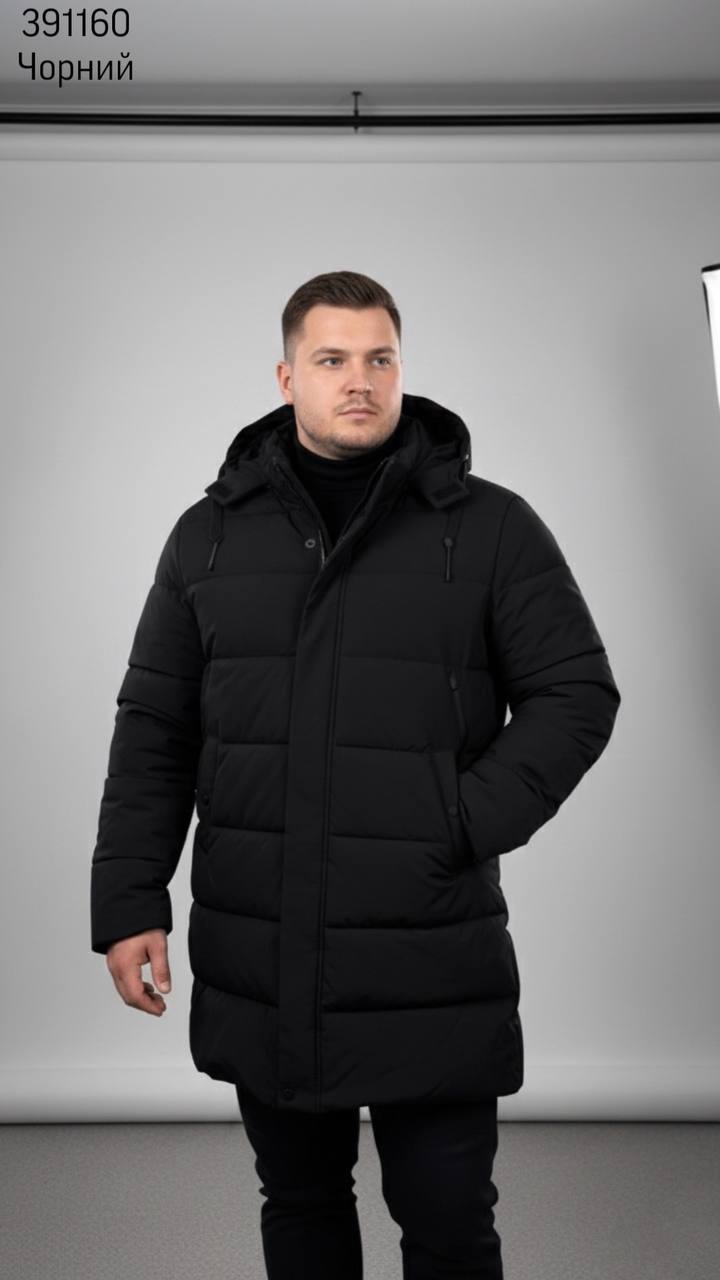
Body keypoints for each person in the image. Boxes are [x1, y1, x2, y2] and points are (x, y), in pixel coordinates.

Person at [90, 269, 621, 1278]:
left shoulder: (489, 527)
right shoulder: (209, 536)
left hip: (430, 949)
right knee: (300, 1206)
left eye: (381, 357)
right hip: (265, 944)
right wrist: (127, 899)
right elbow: (155, 726)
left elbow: (576, 692)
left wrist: (456, 819)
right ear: (287, 375)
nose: (360, 379)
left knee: (449, 1220)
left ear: (401, 369)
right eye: (332, 358)